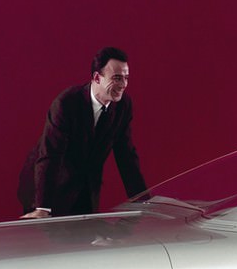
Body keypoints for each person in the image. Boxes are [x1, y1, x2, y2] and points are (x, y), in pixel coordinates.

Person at [17, 47, 147, 219]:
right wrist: (43, 208)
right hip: (47, 189)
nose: (123, 85)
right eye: (116, 78)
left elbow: (126, 156)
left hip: (85, 191)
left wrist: (142, 201)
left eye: (126, 78)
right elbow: (50, 155)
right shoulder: (66, 103)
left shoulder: (123, 105)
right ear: (96, 78)